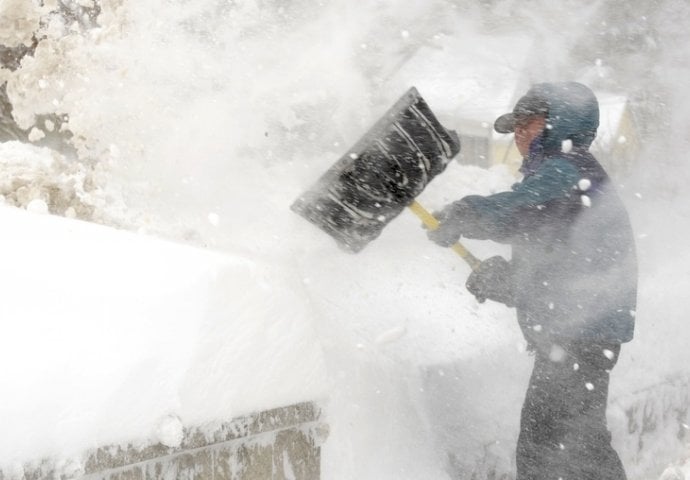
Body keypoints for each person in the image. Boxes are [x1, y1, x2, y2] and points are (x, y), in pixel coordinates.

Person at [427, 82, 637, 480]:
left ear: (561, 125)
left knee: (553, 452)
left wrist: (463, 214)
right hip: (579, 331)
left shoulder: (565, 168)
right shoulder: (568, 174)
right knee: (574, 447)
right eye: (516, 125)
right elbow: (558, 262)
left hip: (579, 333)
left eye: (531, 123)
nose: (520, 133)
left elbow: (523, 211)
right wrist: (505, 281)